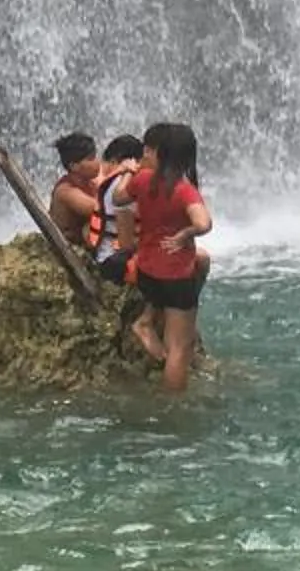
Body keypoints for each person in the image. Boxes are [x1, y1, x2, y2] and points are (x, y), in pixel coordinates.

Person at [123, 120, 212, 394]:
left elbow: (117, 198)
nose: (144, 155)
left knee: (200, 261)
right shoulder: (185, 191)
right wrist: (185, 234)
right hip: (174, 276)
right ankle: (173, 404)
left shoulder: (141, 181)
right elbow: (204, 223)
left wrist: (128, 172)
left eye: (148, 150)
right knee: (179, 348)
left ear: (160, 153)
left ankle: (145, 321)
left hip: (147, 273)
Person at [88, 133, 144, 284]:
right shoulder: (124, 186)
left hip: (107, 256)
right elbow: (127, 245)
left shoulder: (115, 181)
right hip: (115, 261)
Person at [47, 132, 104, 245]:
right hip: (70, 246)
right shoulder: (66, 191)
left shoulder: (90, 181)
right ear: (74, 166)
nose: (97, 162)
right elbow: (100, 211)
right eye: (91, 159)